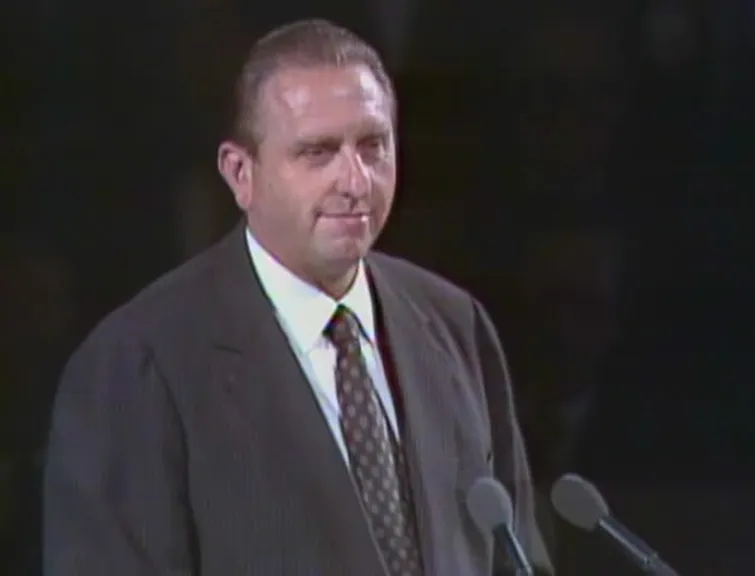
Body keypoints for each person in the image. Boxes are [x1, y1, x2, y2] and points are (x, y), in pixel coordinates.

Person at [43, 19, 553, 576]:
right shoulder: (139, 363)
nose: (356, 181)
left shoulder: (453, 324)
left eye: (373, 146)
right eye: (318, 152)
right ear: (241, 174)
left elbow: (517, 556)